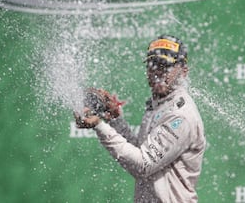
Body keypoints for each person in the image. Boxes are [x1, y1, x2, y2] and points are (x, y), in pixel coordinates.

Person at [75, 35, 206, 203]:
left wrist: (99, 126)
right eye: (153, 65)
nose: (158, 71)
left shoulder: (181, 115)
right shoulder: (159, 104)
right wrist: (115, 120)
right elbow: (141, 152)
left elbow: (142, 165)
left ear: (183, 71)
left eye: (166, 65)